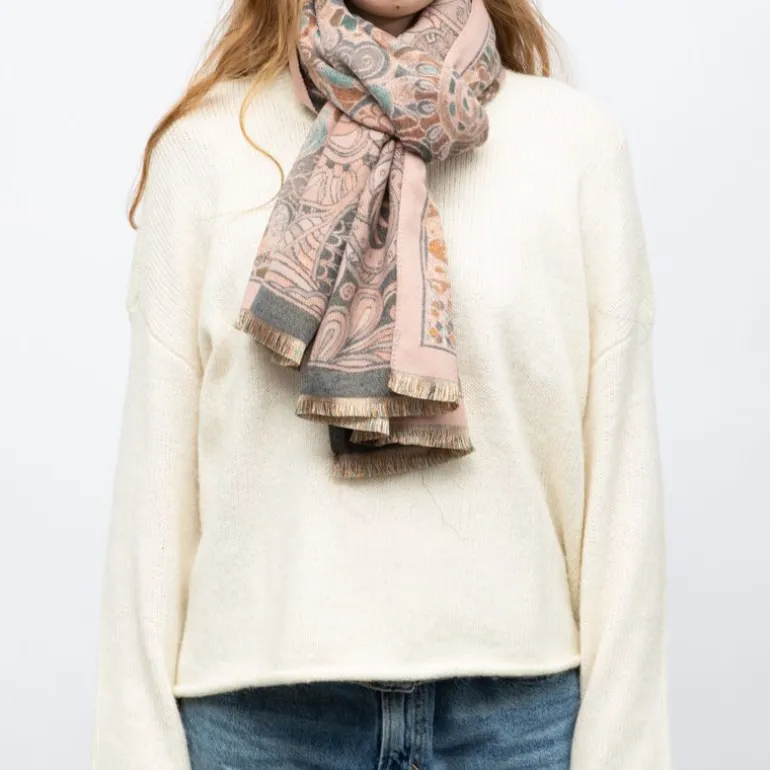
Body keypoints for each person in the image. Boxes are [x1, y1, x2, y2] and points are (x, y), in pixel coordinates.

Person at [92, 0, 671, 767]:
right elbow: (153, 499)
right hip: (259, 729)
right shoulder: (205, 151)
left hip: (516, 728)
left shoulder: (575, 146)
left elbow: (622, 482)